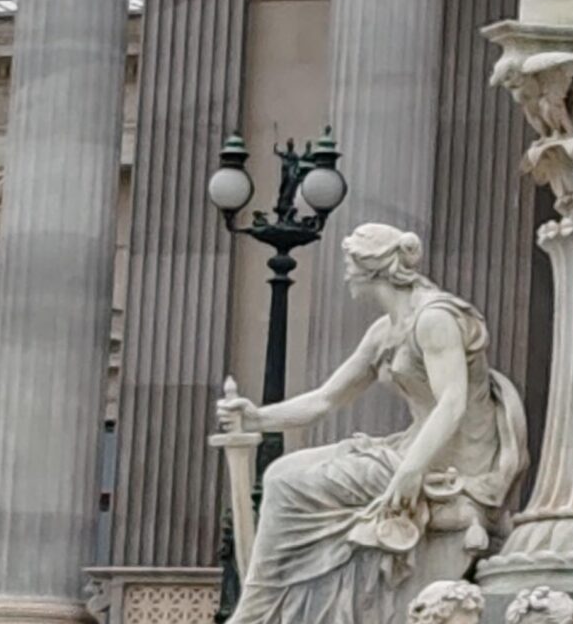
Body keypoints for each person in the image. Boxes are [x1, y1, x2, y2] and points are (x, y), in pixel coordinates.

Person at [216, 225, 528, 624]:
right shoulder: (384, 331)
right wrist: (257, 416)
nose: (345, 272)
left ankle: (257, 611)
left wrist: (410, 472)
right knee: (282, 472)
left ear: (373, 267)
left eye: (350, 262)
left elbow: (452, 402)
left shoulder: (435, 319)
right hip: (411, 449)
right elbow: (326, 399)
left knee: (287, 484)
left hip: (448, 463)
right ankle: (273, 606)